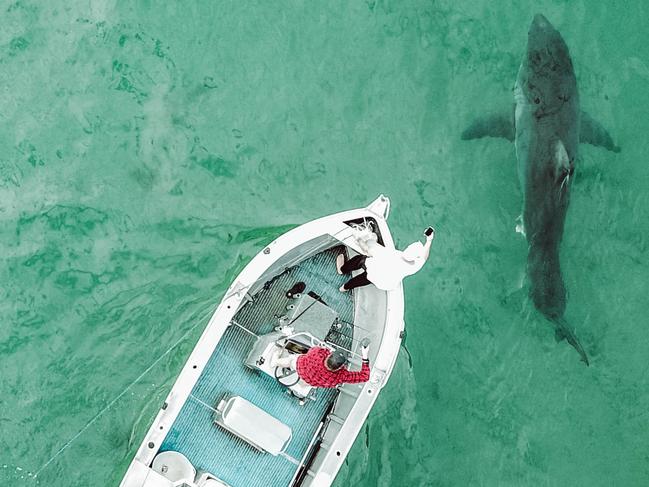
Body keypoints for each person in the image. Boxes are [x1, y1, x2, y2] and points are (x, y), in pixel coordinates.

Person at [337, 227, 435, 292]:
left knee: (361, 259)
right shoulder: (414, 266)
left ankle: (342, 270)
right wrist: (429, 240)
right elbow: (424, 257)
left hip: (376, 271)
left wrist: (358, 238)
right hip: (385, 283)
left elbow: (367, 249)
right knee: (365, 278)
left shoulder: (390, 255)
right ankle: (345, 287)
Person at [271, 342, 370, 388]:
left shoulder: (318, 354)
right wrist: (365, 355)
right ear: (340, 367)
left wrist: (325, 349)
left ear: (329, 356)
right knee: (307, 383)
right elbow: (364, 376)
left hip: (301, 368)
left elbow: (313, 349)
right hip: (313, 382)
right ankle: (302, 385)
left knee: (291, 360)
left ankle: (275, 361)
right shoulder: (341, 376)